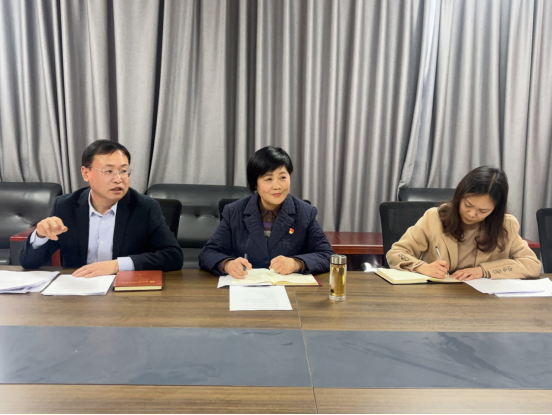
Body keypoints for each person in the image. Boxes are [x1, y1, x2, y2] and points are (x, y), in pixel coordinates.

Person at [19, 140, 184, 276]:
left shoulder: (145, 207)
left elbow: (173, 256)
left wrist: (118, 265)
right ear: (86, 173)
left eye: (124, 171)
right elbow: (29, 263)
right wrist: (40, 236)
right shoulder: (65, 206)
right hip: (79, 291)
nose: (118, 179)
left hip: (125, 291)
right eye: (109, 171)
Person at [199, 146, 334, 278]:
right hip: (247, 286)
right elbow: (208, 253)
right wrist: (228, 265)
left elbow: (327, 255)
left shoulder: (305, 212)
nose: (277, 186)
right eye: (269, 179)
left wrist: (296, 263)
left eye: (283, 177)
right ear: (255, 183)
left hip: (289, 287)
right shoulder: (234, 211)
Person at [387, 166, 541, 281]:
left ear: (496, 209)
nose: (472, 214)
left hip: (484, 301)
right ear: (459, 196)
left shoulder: (506, 225)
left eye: (483, 210)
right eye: (468, 205)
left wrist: (483, 271)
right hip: (437, 298)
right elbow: (396, 253)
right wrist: (422, 267)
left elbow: (532, 264)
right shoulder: (435, 218)